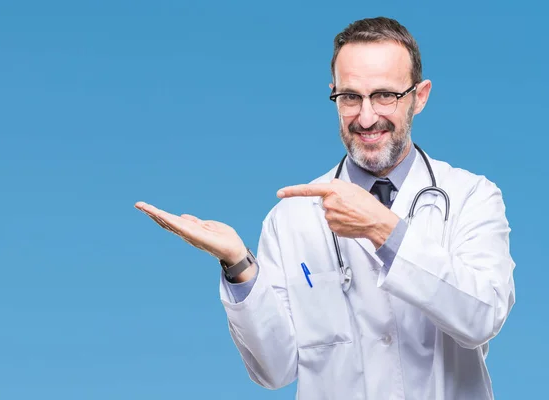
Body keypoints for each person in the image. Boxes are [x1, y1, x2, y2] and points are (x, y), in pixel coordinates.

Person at [135, 16, 515, 400]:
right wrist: (237, 262)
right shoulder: (291, 218)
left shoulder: (471, 197)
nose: (366, 117)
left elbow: (482, 316)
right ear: (334, 94)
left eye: (385, 95)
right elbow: (274, 369)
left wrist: (382, 229)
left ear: (419, 96)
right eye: (350, 97)